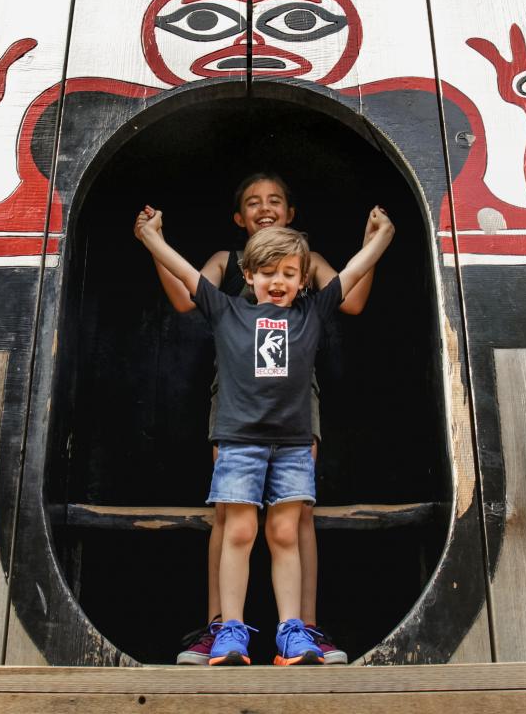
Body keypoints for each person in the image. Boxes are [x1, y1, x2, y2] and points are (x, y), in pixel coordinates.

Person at [134, 173, 381, 664]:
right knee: (232, 517)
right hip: (237, 404)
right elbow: (187, 288)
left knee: (294, 516)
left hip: (292, 405)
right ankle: (221, 629)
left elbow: (349, 293)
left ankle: (302, 629)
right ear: (238, 218)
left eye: (275, 200)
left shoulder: (306, 271)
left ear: (291, 213)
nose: (264, 208)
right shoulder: (227, 269)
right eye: (253, 202)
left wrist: (377, 240)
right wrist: (151, 239)